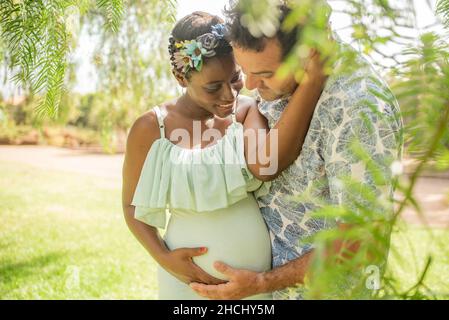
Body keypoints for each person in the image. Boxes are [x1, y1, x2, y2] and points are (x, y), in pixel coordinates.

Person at [190, 2, 403, 300]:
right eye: (245, 71)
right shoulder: (284, 83)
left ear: (308, 54)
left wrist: (264, 282)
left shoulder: (358, 107)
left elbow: (361, 240)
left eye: (263, 73)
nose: (250, 85)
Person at [122, 11, 326, 299]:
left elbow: (266, 166)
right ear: (181, 77)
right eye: (213, 86)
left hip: (251, 281)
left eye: (234, 78)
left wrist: (311, 82)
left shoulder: (245, 111)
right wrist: (164, 259)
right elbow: (132, 208)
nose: (229, 94)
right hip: (186, 283)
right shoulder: (150, 128)